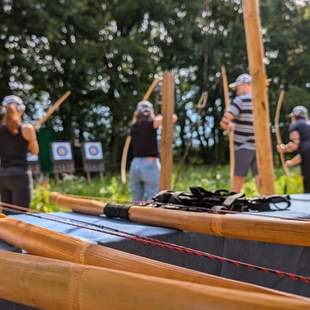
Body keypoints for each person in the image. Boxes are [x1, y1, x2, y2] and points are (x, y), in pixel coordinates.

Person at [220, 73, 260, 193]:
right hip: (259, 147)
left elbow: (225, 120)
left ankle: (234, 201)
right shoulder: (259, 100)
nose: (236, 90)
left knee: (238, 178)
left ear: (244, 85)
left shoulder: (240, 100)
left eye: (237, 87)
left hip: (244, 146)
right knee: (260, 178)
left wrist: (227, 126)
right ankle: (266, 201)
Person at [129, 100, 176, 202]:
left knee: (136, 200)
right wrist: (158, 116)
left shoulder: (133, 126)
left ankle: (135, 216)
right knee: (153, 198)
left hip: (135, 164)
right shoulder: (151, 124)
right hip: (149, 164)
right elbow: (172, 118)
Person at [0, 95, 39, 212]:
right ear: (21, 110)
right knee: (21, 216)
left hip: (3, 176)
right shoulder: (27, 129)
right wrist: (32, 138)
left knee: (7, 218)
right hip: (20, 174)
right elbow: (35, 151)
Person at [277, 105, 310, 193]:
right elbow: (304, 152)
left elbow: (295, 145)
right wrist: (292, 162)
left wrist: (284, 148)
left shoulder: (296, 125)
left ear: (294, 117)